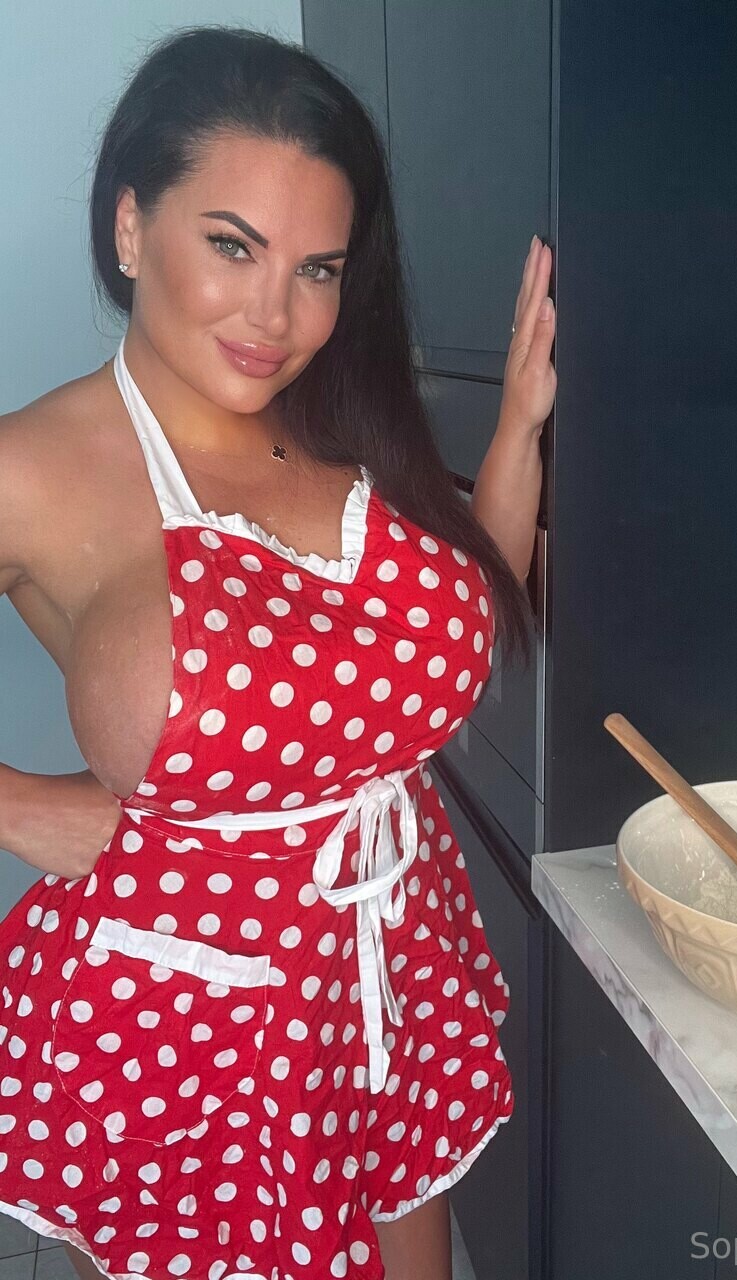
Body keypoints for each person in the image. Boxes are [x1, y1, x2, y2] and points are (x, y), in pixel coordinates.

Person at [0, 24, 555, 1280]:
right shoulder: (33, 468)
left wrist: (522, 425)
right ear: (131, 226)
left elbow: (465, 617)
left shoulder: (346, 427)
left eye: (317, 268)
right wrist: (18, 805)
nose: (276, 313)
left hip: (391, 969)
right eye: (231, 246)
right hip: (187, 1023)